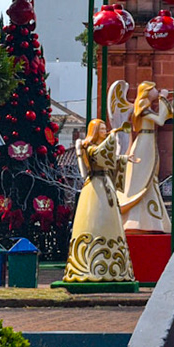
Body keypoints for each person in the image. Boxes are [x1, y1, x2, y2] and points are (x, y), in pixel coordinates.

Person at [64, 119, 136, 283]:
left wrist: (124, 159)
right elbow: (101, 155)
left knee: (110, 221)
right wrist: (114, 136)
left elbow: (110, 159)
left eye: (106, 128)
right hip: (94, 185)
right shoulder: (89, 148)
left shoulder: (99, 147)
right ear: (95, 130)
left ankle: (114, 266)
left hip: (106, 186)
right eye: (102, 129)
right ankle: (87, 264)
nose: (105, 131)